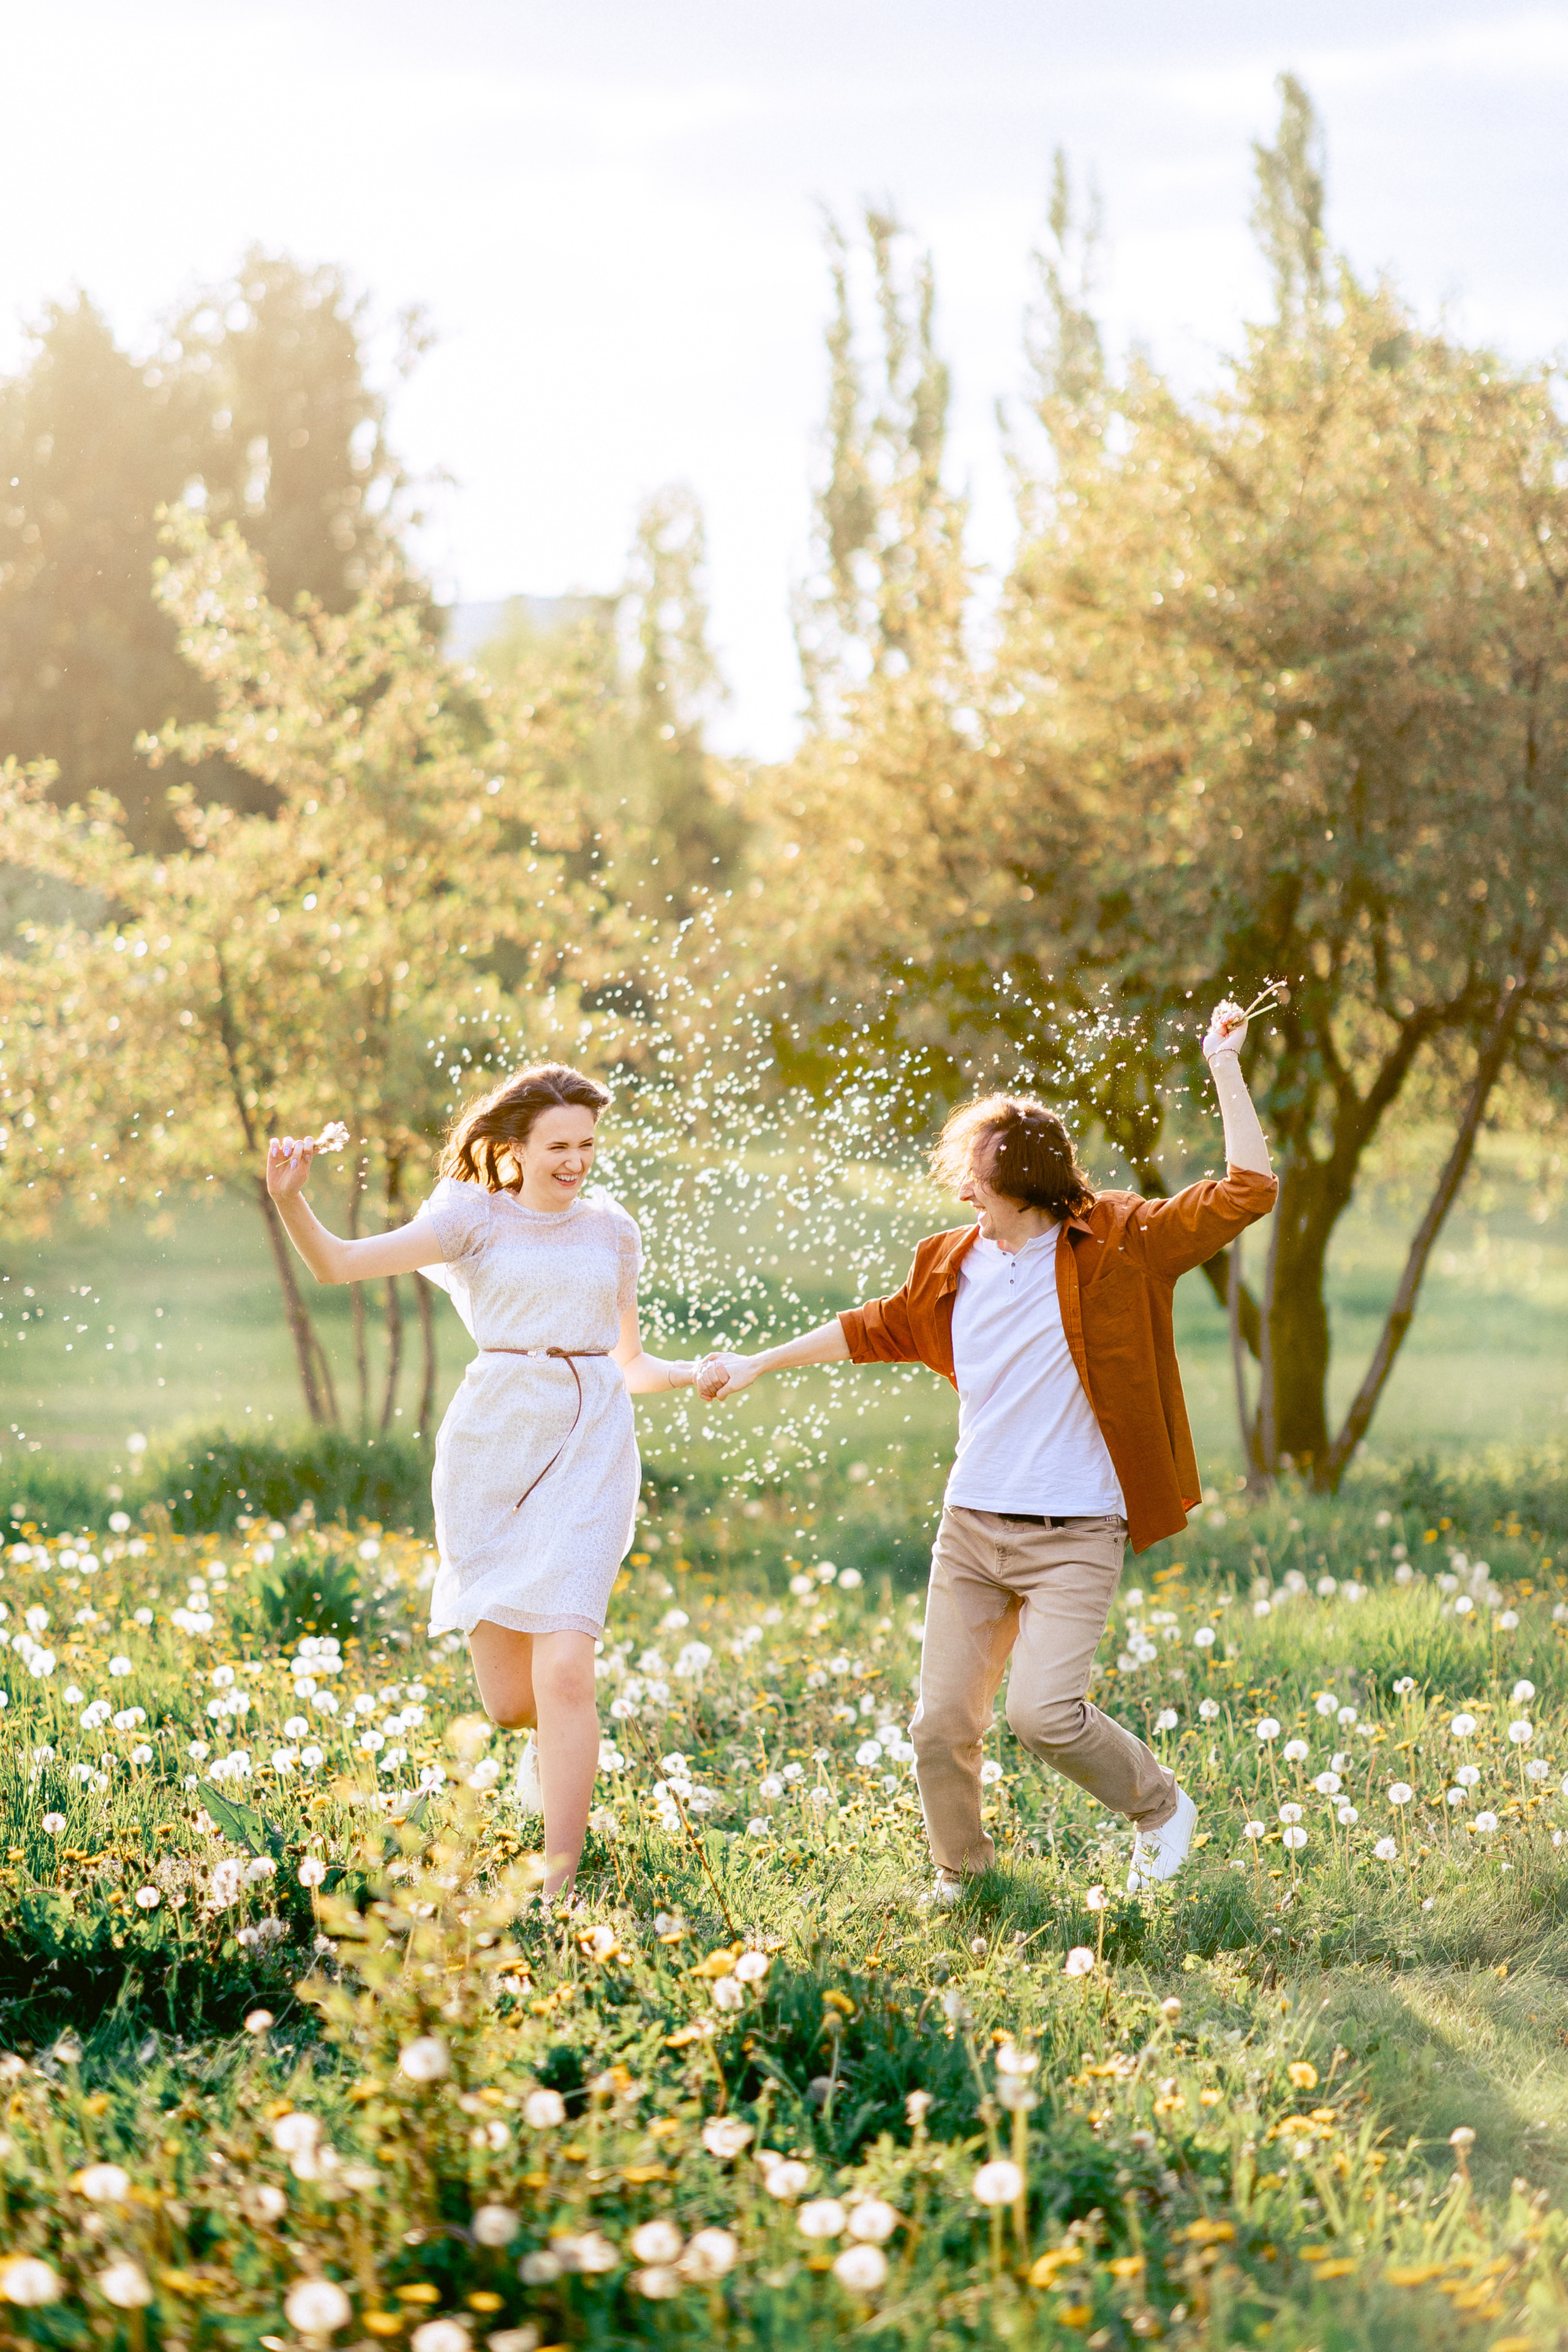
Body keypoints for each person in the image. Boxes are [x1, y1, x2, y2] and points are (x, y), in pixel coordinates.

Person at [697, 998, 1277, 1902]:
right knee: (939, 1725)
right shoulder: (948, 1263)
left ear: (1015, 1182)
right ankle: (961, 1881)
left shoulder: (1122, 1243)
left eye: (973, 1170)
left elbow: (1248, 1190)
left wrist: (1225, 1066)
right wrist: (759, 1363)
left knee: (1042, 1716)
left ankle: (1160, 1808)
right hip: (972, 1526)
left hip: (1077, 1529)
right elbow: (870, 1328)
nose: (960, 1185)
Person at [264, 1063, 701, 1898]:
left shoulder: (611, 1227)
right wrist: (291, 1200)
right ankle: (553, 1741)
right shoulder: (472, 1219)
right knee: (511, 1703)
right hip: (493, 1448)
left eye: (587, 1146)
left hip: (591, 1445)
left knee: (567, 1669)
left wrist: (695, 1375)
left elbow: (631, 1363)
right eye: (558, 1147)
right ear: (512, 1147)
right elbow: (340, 1264)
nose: (576, 1163)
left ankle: (558, 1885)